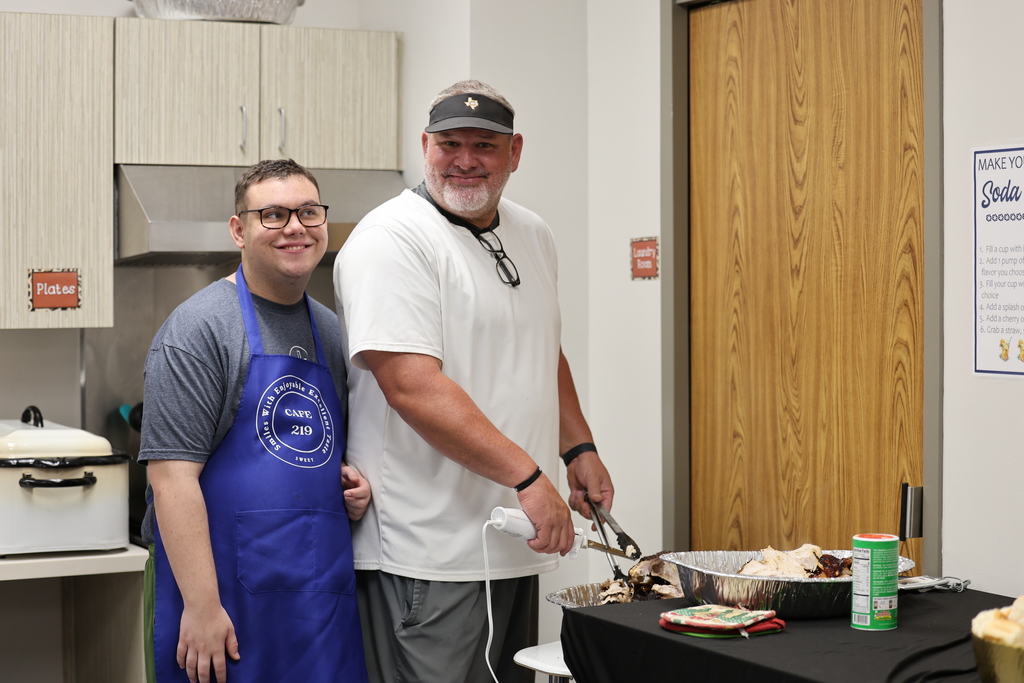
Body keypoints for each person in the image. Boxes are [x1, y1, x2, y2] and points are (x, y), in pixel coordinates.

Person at [333, 80, 616, 682]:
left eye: (484, 145)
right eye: (449, 144)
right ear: (424, 146)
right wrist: (529, 475)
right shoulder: (392, 239)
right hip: (427, 550)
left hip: (513, 540)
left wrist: (578, 447)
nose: (465, 160)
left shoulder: (532, 232)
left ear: (515, 153)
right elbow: (410, 385)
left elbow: (542, 347)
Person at [138, 159, 370, 683]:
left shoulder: (331, 330)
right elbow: (171, 480)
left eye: (308, 212)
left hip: (317, 608)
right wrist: (201, 608)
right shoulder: (199, 329)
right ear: (239, 230)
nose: (295, 227)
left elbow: (301, 452)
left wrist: (343, 481)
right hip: (222, 607)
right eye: (273, 214)